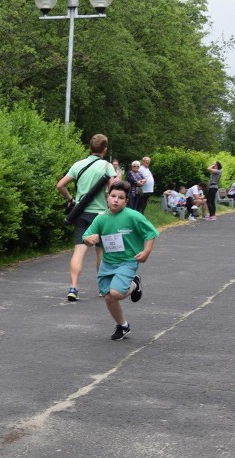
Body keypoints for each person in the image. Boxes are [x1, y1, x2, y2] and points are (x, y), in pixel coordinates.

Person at [82, 181, 159, 341]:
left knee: (117, 293)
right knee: (109, 297)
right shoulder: (101, 219)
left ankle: (134, 284)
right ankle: (122, 326)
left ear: (126, 201)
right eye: (113, 196)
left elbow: (150, 233)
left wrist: (146, 251)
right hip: (108, 262)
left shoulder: (133, 216)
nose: (116, 200)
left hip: (128, 261)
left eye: (121, 198)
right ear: (107, 197)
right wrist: (89, 239)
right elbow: (86, 237)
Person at [56, 133, 118, 301]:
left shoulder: (78, 165)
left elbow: (60, 185)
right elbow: (113, 187)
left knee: (79, 251)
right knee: (101, 252)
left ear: (90, 148)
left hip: (81, 213)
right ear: (104, 150)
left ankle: (74, 288)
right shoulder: (106, 166)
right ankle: (103, 287)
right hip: (100, 215)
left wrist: (71, 200)